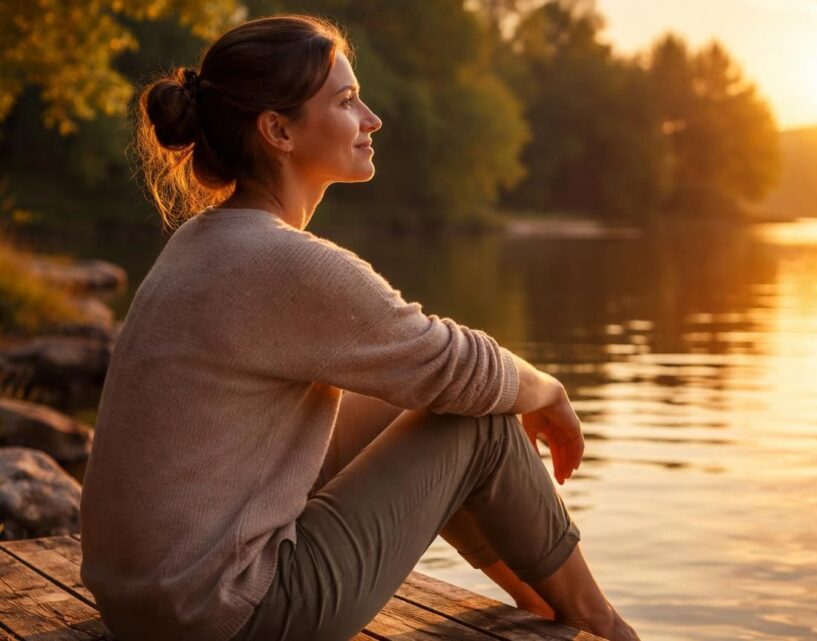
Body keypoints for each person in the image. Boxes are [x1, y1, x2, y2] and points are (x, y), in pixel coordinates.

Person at [77, 13, 640, 641]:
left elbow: (434, 376)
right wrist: (550, 391)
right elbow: (460, 370)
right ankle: (601, 624)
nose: (371, 119)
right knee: (477, 417)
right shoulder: (281, 260)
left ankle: (548, 609)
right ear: (278, 131)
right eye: (346, 101)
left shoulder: (202, 242)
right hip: (229, 614)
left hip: (144, 604)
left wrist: (513, 389)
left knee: (408, 400)